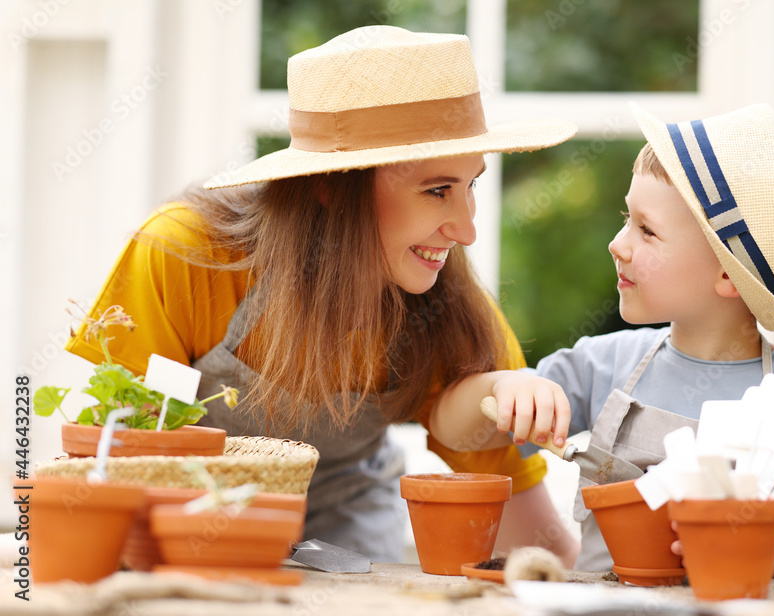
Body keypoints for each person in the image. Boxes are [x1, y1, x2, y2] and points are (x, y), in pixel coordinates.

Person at [64, 25, 580, 565]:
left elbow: (536, 542)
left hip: (347, 532)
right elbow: (118, 461)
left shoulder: (445, 307)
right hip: (193, 521)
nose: (467, 230)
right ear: (331, 185)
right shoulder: (186, 255)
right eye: (436, 191)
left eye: (470, 184)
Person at [430, 103, 774, 579]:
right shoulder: (600, 367)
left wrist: (769, 550)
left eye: (647, 230)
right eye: (627, 218)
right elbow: (449, 430)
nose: (617, 244)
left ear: (728, 273)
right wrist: (502, 386)